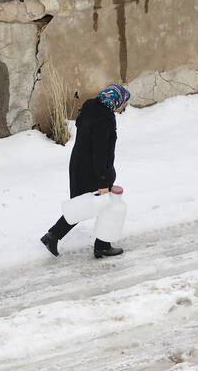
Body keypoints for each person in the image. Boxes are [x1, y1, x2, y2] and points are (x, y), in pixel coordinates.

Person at [40, 84, 130, 258]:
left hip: (79, 165)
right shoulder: (104, 118)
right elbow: (100, 151)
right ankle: (96, 245)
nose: (121, 106)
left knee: (86, 205)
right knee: (95, 205)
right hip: (94, 170)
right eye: (122, 103)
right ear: (115, 100)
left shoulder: (91, 107)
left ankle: (56, 236)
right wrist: (103, 181)